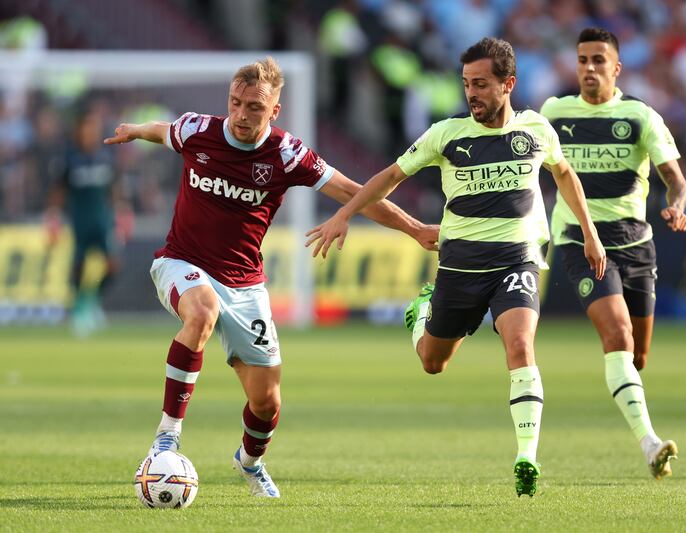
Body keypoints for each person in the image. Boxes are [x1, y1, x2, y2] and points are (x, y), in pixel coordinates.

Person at [103, 57, 438, 499]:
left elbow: (356, 194)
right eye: (236, 103)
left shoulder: (287, 154)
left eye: (254, 108)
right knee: (201, 312)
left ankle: (250, 462)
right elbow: (161, 130)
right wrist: (134, 130)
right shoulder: (197, 130)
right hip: (181, 262)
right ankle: (167, 436)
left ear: (274, 111)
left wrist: (414, 229)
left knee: (267, 402)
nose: (241, 115)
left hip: (244, 283)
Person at [306, 37, 606, 497]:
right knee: (433, 362)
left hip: (517, 260)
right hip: (460, 266)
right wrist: (345, 213)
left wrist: (589, 231)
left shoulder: (537, 130)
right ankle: (421, 315)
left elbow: (564, 173)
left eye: (482, 84)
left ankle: (527, 455)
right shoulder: (446, 134)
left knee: (521, 344)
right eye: (467, 84)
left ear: (508, 84)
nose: (472, 94)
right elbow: (390, 177)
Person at [540, 27, 686, 480]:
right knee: (618, 335)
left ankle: (625, 388)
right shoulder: (553, 113)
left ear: (616, 68)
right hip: (579, 242)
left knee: (637, 355)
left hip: (636, 245)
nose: (589, 68)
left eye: (598, 60)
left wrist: (677, 207)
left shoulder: (640, 116)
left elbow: (675, 180)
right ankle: (649, 444)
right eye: (582, 59)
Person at [46, 107, 131, 336]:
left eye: (92, 127)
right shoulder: (68, 157)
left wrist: (122, 212)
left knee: (113, 264)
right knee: (79, 266)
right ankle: (79, 308)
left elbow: (114, 188)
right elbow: (58, 190)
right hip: (79, 220)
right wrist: (53, 217)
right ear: (78, 130)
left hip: (102, 219)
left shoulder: (106, 155)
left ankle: (92, 301)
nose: (89, 132)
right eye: (85, 127)